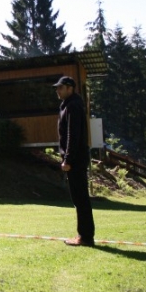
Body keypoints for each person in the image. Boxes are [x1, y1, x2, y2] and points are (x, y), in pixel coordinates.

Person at [53, 75, 95, 247]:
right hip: (75, 159)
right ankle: (84, 235)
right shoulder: (68, 105)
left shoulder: (73, 106)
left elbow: (73, 135)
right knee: (79, 199)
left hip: (76, 159)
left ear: (70, 88)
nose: (57, 90)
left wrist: (68, 159)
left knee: (81, 198)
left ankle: (85, 237)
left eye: (60, 87)